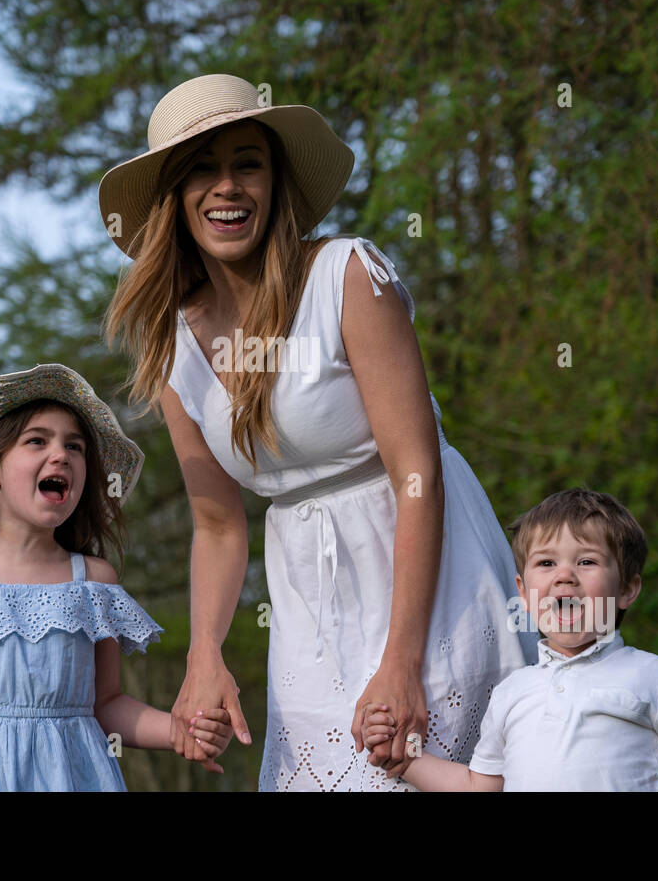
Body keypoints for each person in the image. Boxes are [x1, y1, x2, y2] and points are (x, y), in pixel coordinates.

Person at [100, 73, 535, 790]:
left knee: (447, 768)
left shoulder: (347, 276)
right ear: (174, 199)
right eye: (201, 169)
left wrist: (401, 659)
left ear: (275, 182)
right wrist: (204, 654)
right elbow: (216, 523)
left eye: (248, 162)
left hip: (424, 561)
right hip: (305, 591)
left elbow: (416, 473)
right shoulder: (172, 344)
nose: (227, 186)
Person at [0, 363, 233, 791]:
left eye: (75, 447)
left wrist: (178, 730)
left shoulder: (94, 583)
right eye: (37, 440)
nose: (61, 454)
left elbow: (107, 704)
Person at [360, 488, 658, 791]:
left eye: (586, 562)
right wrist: (405, 757)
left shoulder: (654, 678)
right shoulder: (512, 692)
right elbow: (478, 786)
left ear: (627, 589)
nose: (565, 576)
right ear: (523, 591)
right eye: (547, 563)